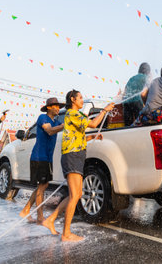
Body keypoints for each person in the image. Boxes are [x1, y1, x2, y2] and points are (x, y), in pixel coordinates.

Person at [42, 90, 114, 242]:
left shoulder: (77, 116)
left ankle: (51, 219)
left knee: (77, 194)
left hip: (76, 155)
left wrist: (93, 136)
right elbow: (94, 123)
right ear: (73, 99)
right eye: (80, 97)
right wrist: (105, 110)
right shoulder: (72, 114)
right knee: (75, 195)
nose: (82, 100)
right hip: (72, 156)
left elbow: (77, 136)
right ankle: (66, 234)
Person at [19, 98, 65, 223]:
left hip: (47, 158)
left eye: (58, 106)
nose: (58, 108)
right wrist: (64, 125)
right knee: (42, 186)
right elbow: (49, 131)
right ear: (49, 107)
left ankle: (26, 210)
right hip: (39, 157)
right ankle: (40, 217)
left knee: (43, 185)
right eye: (55, 106)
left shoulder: (55, 122)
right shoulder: (42, 118)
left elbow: (59, 128)